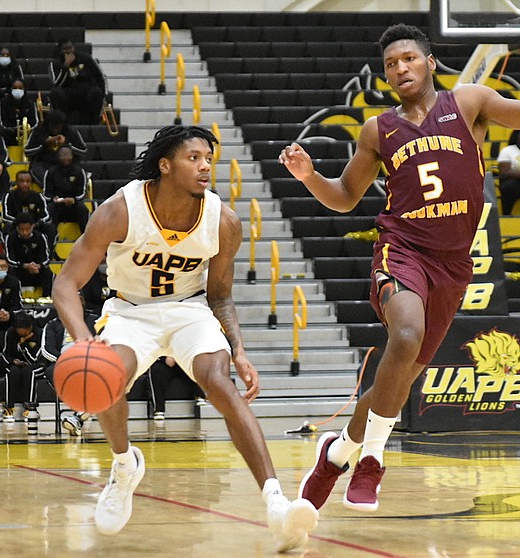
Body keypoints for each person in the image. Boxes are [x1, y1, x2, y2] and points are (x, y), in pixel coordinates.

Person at [279, 23, 520, 512]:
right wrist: (310, 178)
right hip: (403, 250)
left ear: (430, 63)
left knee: (400, 377)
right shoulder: (378, 129)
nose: (400, 68)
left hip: (452, 264)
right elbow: (346, 197)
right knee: (405, 338)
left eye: (409, 58)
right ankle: (371, 459)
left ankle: (336, 453)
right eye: (391, 64)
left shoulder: (469, 102)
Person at [51, 125, 318, 549]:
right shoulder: (121, 209)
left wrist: (240, 350)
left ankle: (276, 504)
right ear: (165, 165)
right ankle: (124, 467)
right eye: (194, 158)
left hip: (188, 309)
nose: (205, 166)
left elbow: (221, 296)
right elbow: (65, 284)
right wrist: (84, 340)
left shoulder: (223, 221)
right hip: (129, 310)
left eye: (208, 158)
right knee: (106, 375)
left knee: (221, 383)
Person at [40, 304, 97, 436]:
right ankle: (81, 411)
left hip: (87, 359)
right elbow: (46, 349)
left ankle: (77, 417)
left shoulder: (94, 321)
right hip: (61, 361)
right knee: (51, 372)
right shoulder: (52, 324)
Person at [0, 311, 46, 423]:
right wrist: (12, 361)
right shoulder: (10, 333)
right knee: (13, 371)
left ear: (29, 328)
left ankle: (30, 408)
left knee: (29, 371)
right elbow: (6, 354)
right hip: (16, 364)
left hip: (37, 364)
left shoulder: (40, 333)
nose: (21, 334)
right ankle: (9, 408)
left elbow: (35, 359)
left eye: (23, 333)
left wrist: (23, 344)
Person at [48, 39, 106, 125]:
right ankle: (62, 124)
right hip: (67, 93)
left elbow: (100, 77)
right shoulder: (54, 64)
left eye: (70, 48)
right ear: (60, 50)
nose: (68, 51)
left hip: (85, 92)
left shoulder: (86, 58)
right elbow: (56, 83)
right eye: (65, 49)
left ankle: (93, 123)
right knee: (55, 93)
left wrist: (104, 95)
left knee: (96, 92)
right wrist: (65, 66)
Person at [24, 109, 87, 185]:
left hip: (68, 165)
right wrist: (45, 143)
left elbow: (83, 151)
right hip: (44, 164)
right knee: (35, 170)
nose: (56, 129)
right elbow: (27, 152)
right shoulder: (38, 131)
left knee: (78, 171)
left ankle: (64, 188)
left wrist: (67, 144)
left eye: (58, 127)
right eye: (53, 126)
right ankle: (52, 188)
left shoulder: (71, 132)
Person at [2, 170, 56, 252]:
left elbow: (47, 216)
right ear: (16, 182)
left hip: (35, 226)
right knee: (7, 227)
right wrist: (20, 224)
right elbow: (5, 216)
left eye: (28, 181)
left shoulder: (38, 196)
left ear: (31, 182)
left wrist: (35, 224)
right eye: (21, 181)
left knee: (50, 227)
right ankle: (9, 253)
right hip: (16, 227)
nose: (25, 184)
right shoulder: (9, 196)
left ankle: (48, 254)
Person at [4, 211, 54, 297]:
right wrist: (25, 266)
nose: (24, 232)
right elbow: (9, 260)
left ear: (33, 226)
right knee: (10, 272)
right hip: (20, 270)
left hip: (36, 271)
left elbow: (46, 259)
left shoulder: (40, 237)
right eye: (21, 229)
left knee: (48, 272)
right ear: (16, 228)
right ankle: (14, 299)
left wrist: (38, 266)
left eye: (27, 229)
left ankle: (47, 297)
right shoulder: (10, 237)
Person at [43, 145, 90, 236]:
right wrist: (53, 198)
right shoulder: (51, 172)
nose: (65, 157)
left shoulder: (79, 171)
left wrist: (74, 200)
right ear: (58, 156)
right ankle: (51, 239)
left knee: (83, 209)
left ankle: (86, 238)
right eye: (62, 155)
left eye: (68, 154)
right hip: (57, 205)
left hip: (73, 204)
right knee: (49, 209)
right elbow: (46, 194)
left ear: (72, 156)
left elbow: (82, 193)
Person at [148, 355, 205, 420]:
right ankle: (159, 409)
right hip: (165, 361)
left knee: (194, 363)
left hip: (184, 359)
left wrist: (178, 358)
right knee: (156, 369)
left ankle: (200, 395)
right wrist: (164, 359)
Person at [0, 254, 21, 353]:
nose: (0, 269)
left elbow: (18, 306)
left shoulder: (14, 282)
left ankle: (13, 352)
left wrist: (9, 314)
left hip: (8, 318)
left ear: (7, 268)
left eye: (3, 266)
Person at [0, 46, 24, 123]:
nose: (5, 57)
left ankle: (10, 123)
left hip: (10, 91)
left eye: (7, 55)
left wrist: (4, 91)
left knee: (8, 100)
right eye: (2, 55)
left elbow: (21, 84)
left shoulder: (15, 67)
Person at [0, 78, 37, 146]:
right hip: (9, 132)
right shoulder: (4, 102)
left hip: (26, 132)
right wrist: (14, 129)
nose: (17, 90)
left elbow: (34, 122)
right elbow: (2, 122)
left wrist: (25, 130)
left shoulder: (30, 102)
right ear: (11, 89)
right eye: (15, 88)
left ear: (24, 89)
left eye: (20, 88)